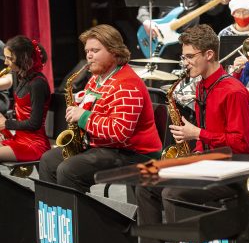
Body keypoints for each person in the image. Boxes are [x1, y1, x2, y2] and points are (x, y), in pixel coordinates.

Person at [136, 24, 249, 243]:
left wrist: (198, 133)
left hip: (232, 168)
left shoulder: (234, 91)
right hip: (207, 161)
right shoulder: (202, 87)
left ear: (209, 55)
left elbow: (242, 144)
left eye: (190, 56)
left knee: (173, 193)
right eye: (185, 57)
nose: (186, 62)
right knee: (146, 180)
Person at [38, 25, 162, 192]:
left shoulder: (127, 85)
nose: (89, 56)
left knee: (69, 170)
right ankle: (56, 212)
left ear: (114, 51)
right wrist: (79, 106)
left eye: (95, 50)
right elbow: (93, 110)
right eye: (87, 51)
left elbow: (119, 132)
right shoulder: (95, 79)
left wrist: (83, 116)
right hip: (103, 146)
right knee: (48, 160)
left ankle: (79, 217)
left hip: (133, 154)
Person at [0, 36, 50, 161]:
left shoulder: (37, 83)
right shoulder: (22, 77)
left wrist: (6, 123)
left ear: (23, 58)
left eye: (9, 58)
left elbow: (34, 124)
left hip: (34, 145)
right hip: (19, 138)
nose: (5, 62)